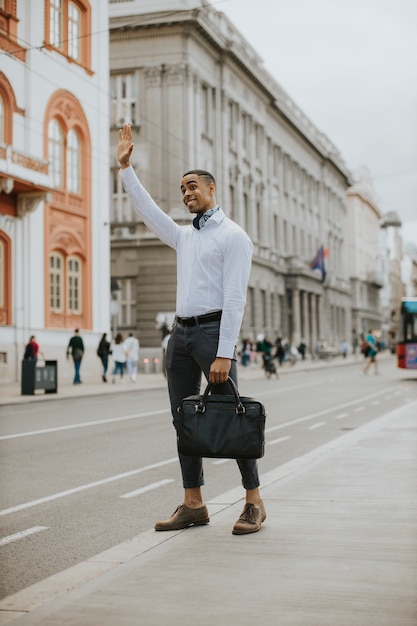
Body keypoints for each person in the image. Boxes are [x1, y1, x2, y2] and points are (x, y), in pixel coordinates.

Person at [117, 123, 265, 535]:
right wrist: (126, 170)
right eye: (182, 189)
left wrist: (225, 351)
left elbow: (235, 298)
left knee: (232, 418)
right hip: (180, 338)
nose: (186, 194)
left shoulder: (234, 237)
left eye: (193, 186)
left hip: (213, 336)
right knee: (183, 420)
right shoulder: (184, 236)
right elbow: (148, 212)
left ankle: (254, 501)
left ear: (212, 190)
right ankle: (193, 503)